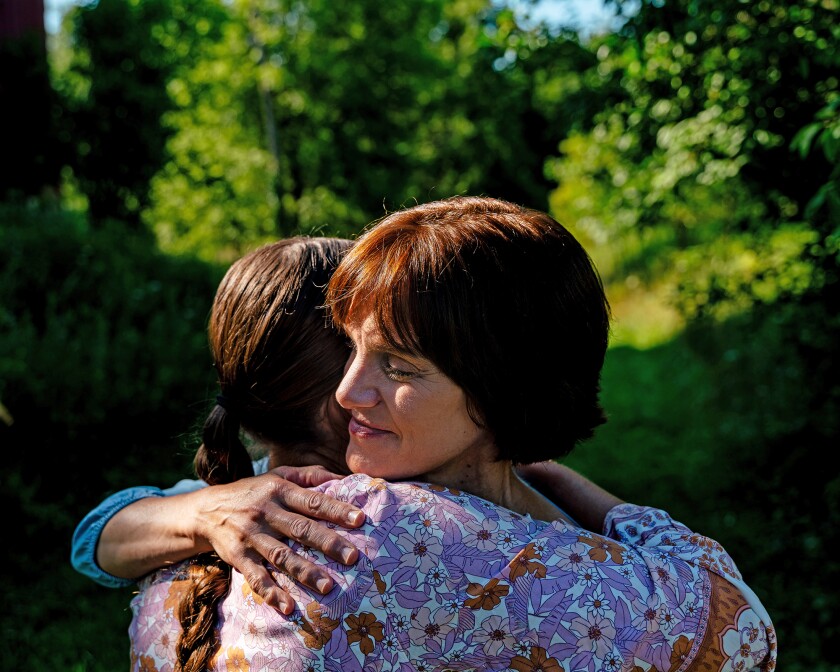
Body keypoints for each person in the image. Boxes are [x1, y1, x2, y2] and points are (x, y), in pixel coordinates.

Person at [129, 197, 776, 672]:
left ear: (502, 388)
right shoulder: (403, 537)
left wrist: (197, 508)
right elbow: (743, 628)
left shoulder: (249, 509)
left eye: (399, 366)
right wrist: (557, 485)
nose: (348, 392)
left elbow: (99, 532)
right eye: (353, 349)